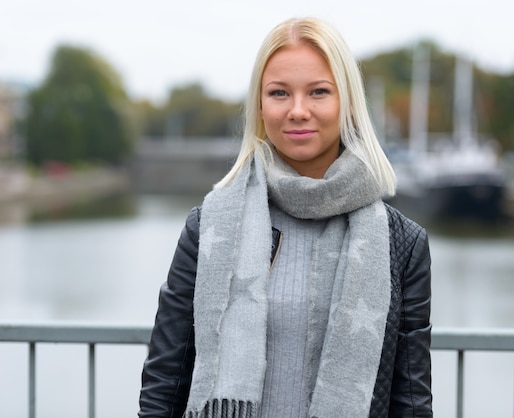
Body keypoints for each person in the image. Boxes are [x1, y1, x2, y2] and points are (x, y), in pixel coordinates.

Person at [138, 16, 433, 418]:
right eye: (279, 93)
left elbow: (410, 401)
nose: (298, 110)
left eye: (318, 92)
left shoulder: (403, 244)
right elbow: (164, 385)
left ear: (346, 102)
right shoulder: (208, 227)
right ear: (259, 105)